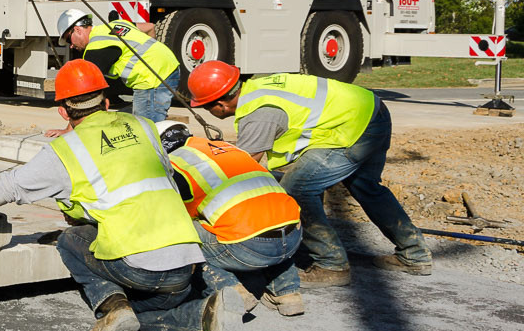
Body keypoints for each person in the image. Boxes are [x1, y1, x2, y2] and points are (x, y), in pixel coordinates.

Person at [0, 59, 249, 331]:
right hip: (185, 263)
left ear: (62, 111)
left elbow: (3, 189)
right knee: (154, 306)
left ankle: (114, 305)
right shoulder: (144, 126)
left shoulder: (64, 151)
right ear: (107, 100)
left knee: (71, 241)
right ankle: (205, 315)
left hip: (139, 268)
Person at [185, 61, 432, 287]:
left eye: (205, 108)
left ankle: (331, 264)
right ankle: (414, 254)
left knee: (298, 188)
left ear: (220, 104)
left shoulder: (259, 113)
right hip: (369, 111)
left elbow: (243, 168)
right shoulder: (257, 89)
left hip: (350, 130)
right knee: (366, 186)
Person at [156, 120, 304, 316]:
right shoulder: (227, 147)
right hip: (294, 235)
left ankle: (233, 292)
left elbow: (182, 213)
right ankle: (288, 293)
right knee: (272, 223)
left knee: (183, 233)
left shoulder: (176, 163)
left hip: (248, 246)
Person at [54, 9, 180, 126]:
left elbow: (83, 97)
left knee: (146, 129)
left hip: (152, 79)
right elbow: (150, 27)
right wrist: (151, 55)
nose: (70, 46)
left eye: (68, 40)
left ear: (77, 30)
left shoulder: (95, 47)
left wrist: (69, 129)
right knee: (143, 120)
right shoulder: (115, 25)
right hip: (170, 65)